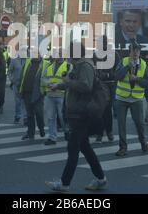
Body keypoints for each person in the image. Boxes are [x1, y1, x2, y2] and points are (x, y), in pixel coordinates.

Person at [45, 42, 107, 192]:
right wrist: (59, 85)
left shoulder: (85, 66)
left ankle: (64, 183)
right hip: (77, 113)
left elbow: (86, 86)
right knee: (84, 147)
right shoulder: (78, 66)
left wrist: (67, 82)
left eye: (68, 52)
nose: (66, 55)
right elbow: (74, 84)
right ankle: (101, 178)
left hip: (81, 114)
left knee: (73, 148)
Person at [114, 42, 148, 156]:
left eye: (137, 51)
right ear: (129, 52)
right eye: (133, 50)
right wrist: (127, 67)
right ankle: (123, 148)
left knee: (140, 123)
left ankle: (143, 143)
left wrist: (137, 79)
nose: (135, 53)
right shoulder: (123, 61)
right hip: (122, 98)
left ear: (140, 52)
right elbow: (117, 76)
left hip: (136, 99)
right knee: (121, 124)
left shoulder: (145, 65)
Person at [94, 35, 119, 143]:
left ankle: (108, 132)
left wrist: (108, 75)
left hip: (110, 85)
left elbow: (119, 70)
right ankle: (101, 132)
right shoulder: (95, 55)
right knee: (99, 110)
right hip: (99, 85)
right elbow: (92, 67)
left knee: (107, 110)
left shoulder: (114, 54)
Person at [41, 51, 68, 145]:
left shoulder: (68, 66)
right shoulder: (49, 66)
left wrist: (57, 85)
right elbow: (43, 78)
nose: (59, 57)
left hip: (62, 95)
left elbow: (69, 81)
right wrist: (48, 84)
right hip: (50, 95)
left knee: (62, 117)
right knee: (50, 117)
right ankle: (52, 138)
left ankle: (67, 133)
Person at [19, 55, 45, 140]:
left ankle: (41, 128)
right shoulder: (28, 62)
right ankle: (30, 133)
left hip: (38, 93)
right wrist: (21, 89)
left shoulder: (44, 63)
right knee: (29, 115)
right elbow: (22, 76)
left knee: (39, 113)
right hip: (27, 92)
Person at [8, 47, 27, 125]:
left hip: (26, 84)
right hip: (17, 84)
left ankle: (25, 118)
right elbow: (10, 71)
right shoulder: (14, 60)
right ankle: (17, 116)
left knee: (25, 102)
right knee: (18, 102)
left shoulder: (28, 60)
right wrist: (12, 80)